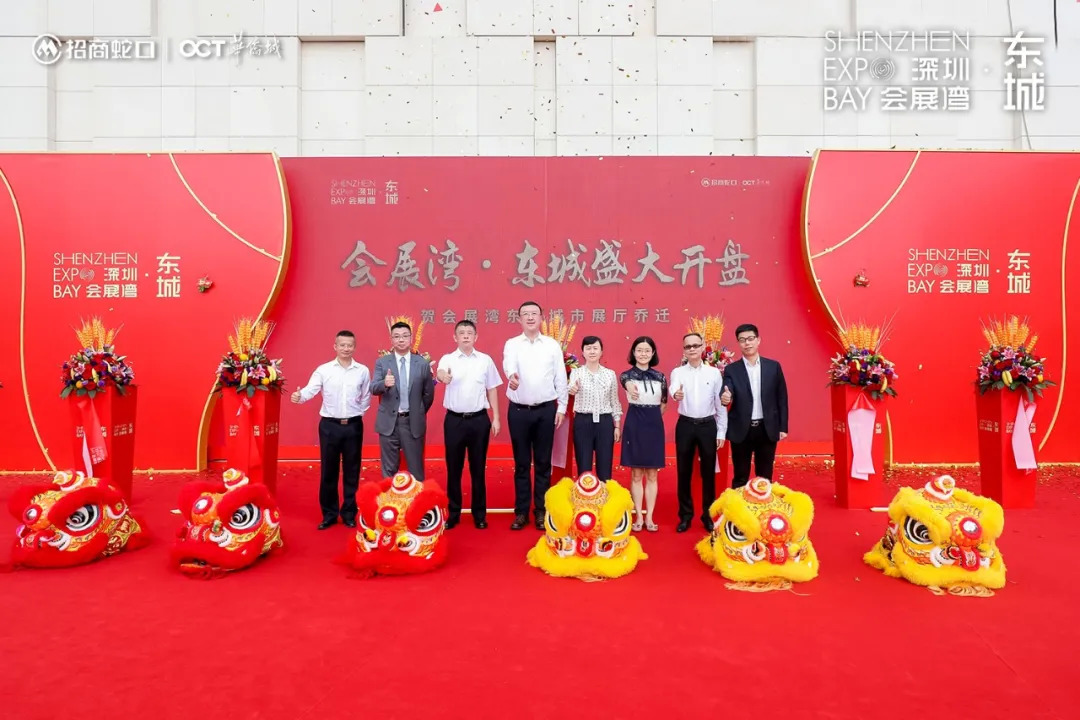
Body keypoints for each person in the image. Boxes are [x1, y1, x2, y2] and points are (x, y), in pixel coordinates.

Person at [291, 330, 371, 530]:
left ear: (355, 347)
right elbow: (311, 389)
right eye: (342, 345)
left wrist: (357, 413)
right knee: (329, 471)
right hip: (329, 426)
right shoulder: (324, 370)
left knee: (352, 471)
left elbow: (366, 396)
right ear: (335, 346)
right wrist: (300, 396)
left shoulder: (362, 370)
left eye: (350, 345)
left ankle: (349, 513)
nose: (346, 348)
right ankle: (329, 514)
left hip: (353, 426)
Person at [502, 301, 568, 531]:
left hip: (545, 411)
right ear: (519, 319)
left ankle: (541, 510)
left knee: (542, 462)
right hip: (519, 411)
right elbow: (508, 364)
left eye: (534, 314)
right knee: (521, 463)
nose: (530, 317)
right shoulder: (512, 344)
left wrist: (561, 407)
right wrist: (512, 376)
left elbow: (560, 376)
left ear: (541, 317)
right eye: (525, 314)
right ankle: (521, 512)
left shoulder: (551, 345)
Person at [436, 320, 503, 530]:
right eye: (461, 333)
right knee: (453, 468)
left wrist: (496, 417)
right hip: (454, 420)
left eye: (469, 333)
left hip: (479, 420)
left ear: (476, 337)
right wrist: (443, 377)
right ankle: (454, 513)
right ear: (455, 337)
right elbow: (440, 373)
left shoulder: (485, 360)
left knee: (478, 468)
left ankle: (479, 514)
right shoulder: (448, 359)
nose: (465, 336)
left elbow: (492, 388)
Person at [670, 332, 728, 533]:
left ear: (703, 347)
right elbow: (674, 389)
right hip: (685, 425)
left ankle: (707, 515)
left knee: (708, 473)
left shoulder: (713, 373)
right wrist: (676, 394)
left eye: (696, 345)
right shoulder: (678, 372)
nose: (692, 349)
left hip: (707, 426)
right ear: (684, 350)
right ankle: (685, 516)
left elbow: (720, 404)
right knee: (683, 471)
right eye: (688, 346)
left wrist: (721, 431)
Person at [720, 323, 789, 488]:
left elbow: (782, 397)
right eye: (742, 340)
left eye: (750, 338)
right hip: (741, 429)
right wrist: (726, 397)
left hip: (767, 428)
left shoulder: (773, 367)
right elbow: (727, 389)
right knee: (740, 477)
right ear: (738, 343)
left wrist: (783, 427)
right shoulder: (731, 369)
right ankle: (738, 505)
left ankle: (763, 505)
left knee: (764, 477)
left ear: (758, 340)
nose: (747, 343)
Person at [371, 321, 436, 481]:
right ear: (391, 339)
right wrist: (384, 384)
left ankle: (417, 497)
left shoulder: (421, 363)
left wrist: (417, 411)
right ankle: (390, 497)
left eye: (405, 336)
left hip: (412, 422)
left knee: (416, 469)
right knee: (389, 471)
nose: (401, 340)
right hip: (389, 423)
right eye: (397, 336)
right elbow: (373, 388)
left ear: (411, 338)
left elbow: (428, 394)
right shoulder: (382, 362)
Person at [620, 336, 667, 532]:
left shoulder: (661, 377)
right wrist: (630, 386)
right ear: (633, 352)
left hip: (654, 425)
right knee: (637, 473)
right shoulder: (626, 376)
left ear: (653, 353)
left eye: (647, 350)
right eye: (639, 350)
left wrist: (652, 418)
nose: (643, 354)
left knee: (652, 474)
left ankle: (650, 517)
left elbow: (663, 404)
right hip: (635, 423)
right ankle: (638, 515)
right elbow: (625, 382)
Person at [568, 336, 621, 481]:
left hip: (605, 423)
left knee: (605, 468)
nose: (592, 351)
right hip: (583, 422)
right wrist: (572, 389)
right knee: (584, 468)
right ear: (583, 352)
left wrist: (617, 426)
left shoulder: (610, 374)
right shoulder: (576, 373)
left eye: (595, 348)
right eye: (588, 348)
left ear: (601, 352)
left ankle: (603, 495)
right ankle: (584, 494)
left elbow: (614, 401)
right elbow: (571, 387)